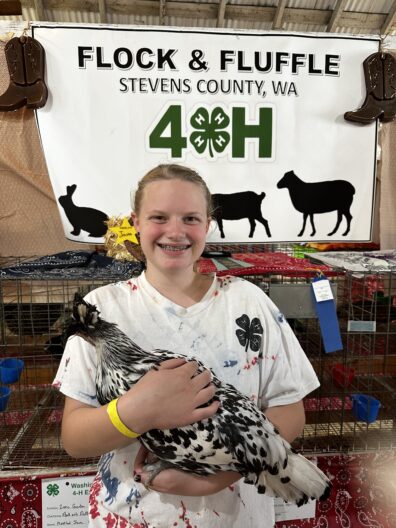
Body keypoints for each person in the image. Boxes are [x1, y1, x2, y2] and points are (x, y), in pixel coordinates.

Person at [54, 163, 320, 528]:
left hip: (234, 517)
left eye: (190, 218)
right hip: (133, 516)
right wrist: (137, 410)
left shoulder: (248, 302)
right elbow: (75, 438)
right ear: (135, 222)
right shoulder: (101, 311)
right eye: (159, 217)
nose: (175, 231)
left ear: (208, 224)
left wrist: (217, 476)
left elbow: (289, 411)